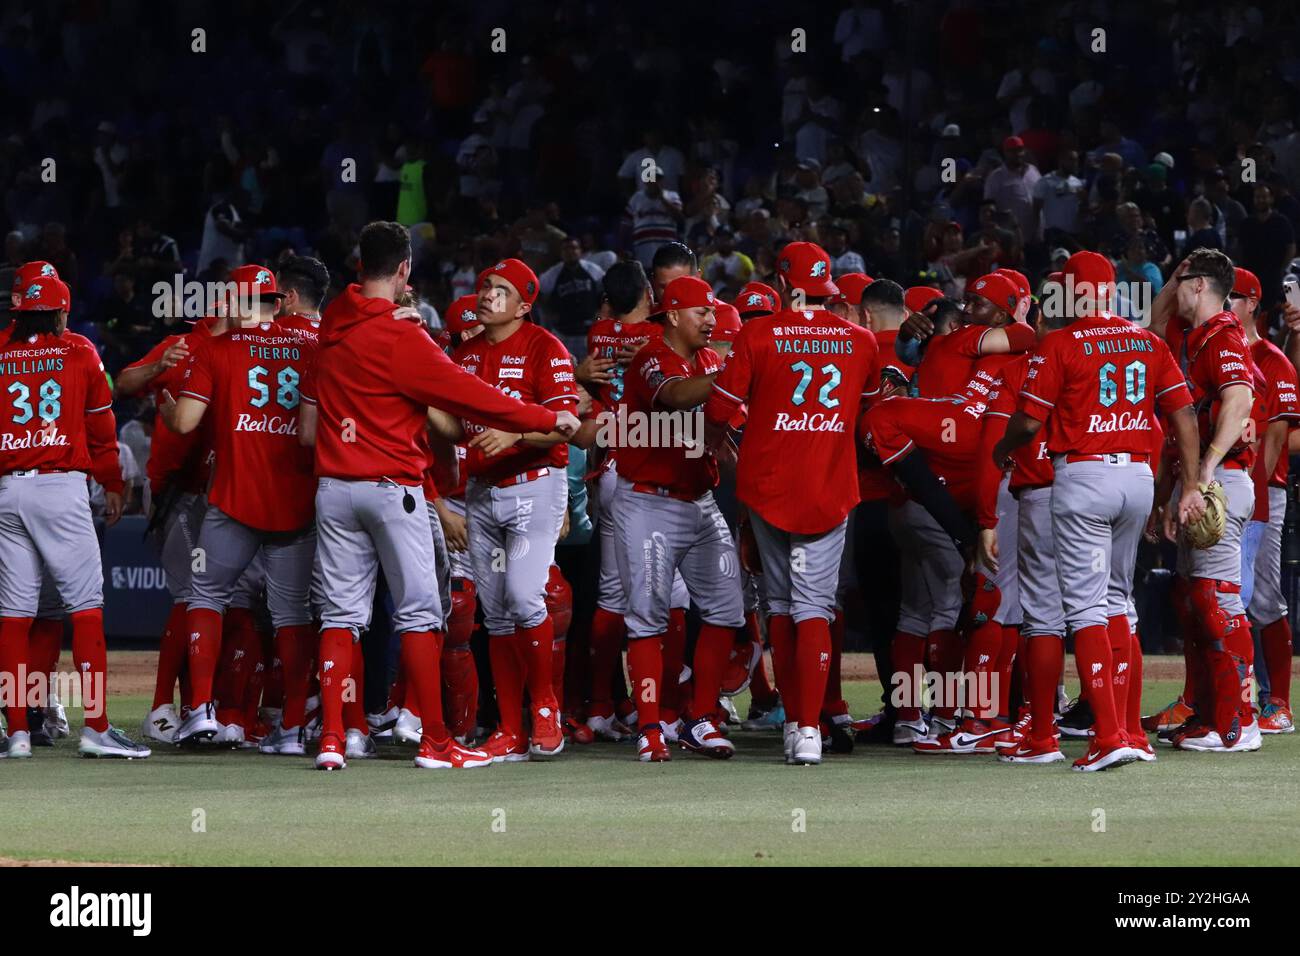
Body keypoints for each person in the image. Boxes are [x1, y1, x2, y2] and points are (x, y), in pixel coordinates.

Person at [303, 223, 578, 771]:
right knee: (421, 616)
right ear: (405, 269)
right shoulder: (405, 338)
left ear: (360, 269)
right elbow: (473, 395)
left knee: (339, 617)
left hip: (332, 490)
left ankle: (333, 740)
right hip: (391, 488)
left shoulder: (333, 322)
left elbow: (349, 313)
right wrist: (549, 418)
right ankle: (436, 742)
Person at [994, 251, 1204, 771]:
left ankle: (1108, 737)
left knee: (1085, 608)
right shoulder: (1148, 341)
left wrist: (1004, 448)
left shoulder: (1060, 342)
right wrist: (1191, 484)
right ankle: (1132, 730)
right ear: (1111, 291)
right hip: (1137, 477)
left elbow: (1027, 422)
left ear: (1072, 294)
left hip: (1085, 475)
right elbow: (1182, 415)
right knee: (1119, 601)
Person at [703, 241, 881, 765]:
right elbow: (867, 412)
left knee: (780, 605)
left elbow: (718, 411)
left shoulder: (758, 333)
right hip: (828, 486)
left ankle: (794, 725)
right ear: (828, 287)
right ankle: (808, 728)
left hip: (766, 486)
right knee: (814, 608)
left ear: (782, 284)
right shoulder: (862, 339)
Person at [160, 266, 320, 751]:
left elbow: (185, 423)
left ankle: (203, 709)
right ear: (277, 301)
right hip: (296, 500)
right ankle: (293, 727)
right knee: (292, 613)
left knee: (207, 596)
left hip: (232, 499)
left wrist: (165, 405)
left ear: (233, 301)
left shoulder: (217, 349)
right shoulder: (313, 346)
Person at [0, 273, 149, 758]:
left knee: (14, 615)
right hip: (59, 487)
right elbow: (102, 426)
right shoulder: (80, 350)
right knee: (85, 608)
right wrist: (111, 482)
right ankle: (98, 728)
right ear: (62, 312)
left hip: (9, 492)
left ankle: (19, 732)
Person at [443, 258, 580, 762]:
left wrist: (517, 432)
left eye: (500, 290)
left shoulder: (546, 347)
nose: (487, 295)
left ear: (525, 305)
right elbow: (454, 428)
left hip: (535, 484)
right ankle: (508, 728)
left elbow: (567, 422)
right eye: (484, 286)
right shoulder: (466, 355)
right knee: (497, 613)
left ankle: (545, 708)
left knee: (526, 596)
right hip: (481, 490)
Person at [614, 274, 743, 761]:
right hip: (648, 503)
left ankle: (701, 718)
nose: (711, 320)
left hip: (699, 500)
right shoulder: (651, 355)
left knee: (727, 609)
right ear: (672, 316)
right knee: (646, 617)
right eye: (702, 312)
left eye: (713, 312)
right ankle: (649, 728)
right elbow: (676, 397)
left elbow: (714, 430)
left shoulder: (709, 359)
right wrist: (735, 371)